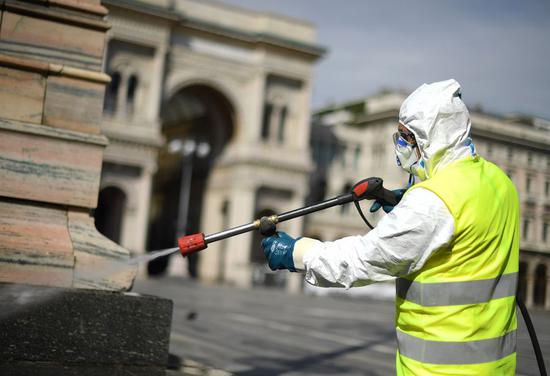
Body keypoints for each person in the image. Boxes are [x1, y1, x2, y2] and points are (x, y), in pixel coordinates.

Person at [261, 79, 519, 375]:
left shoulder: (432, 203)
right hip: (495, 367)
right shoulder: (499, 182)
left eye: (406, 135)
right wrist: (407, 205)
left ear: (431, 136)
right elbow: (464, 237)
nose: (400, 144)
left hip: (439, 370)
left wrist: (297, 252)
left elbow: (363, 260)